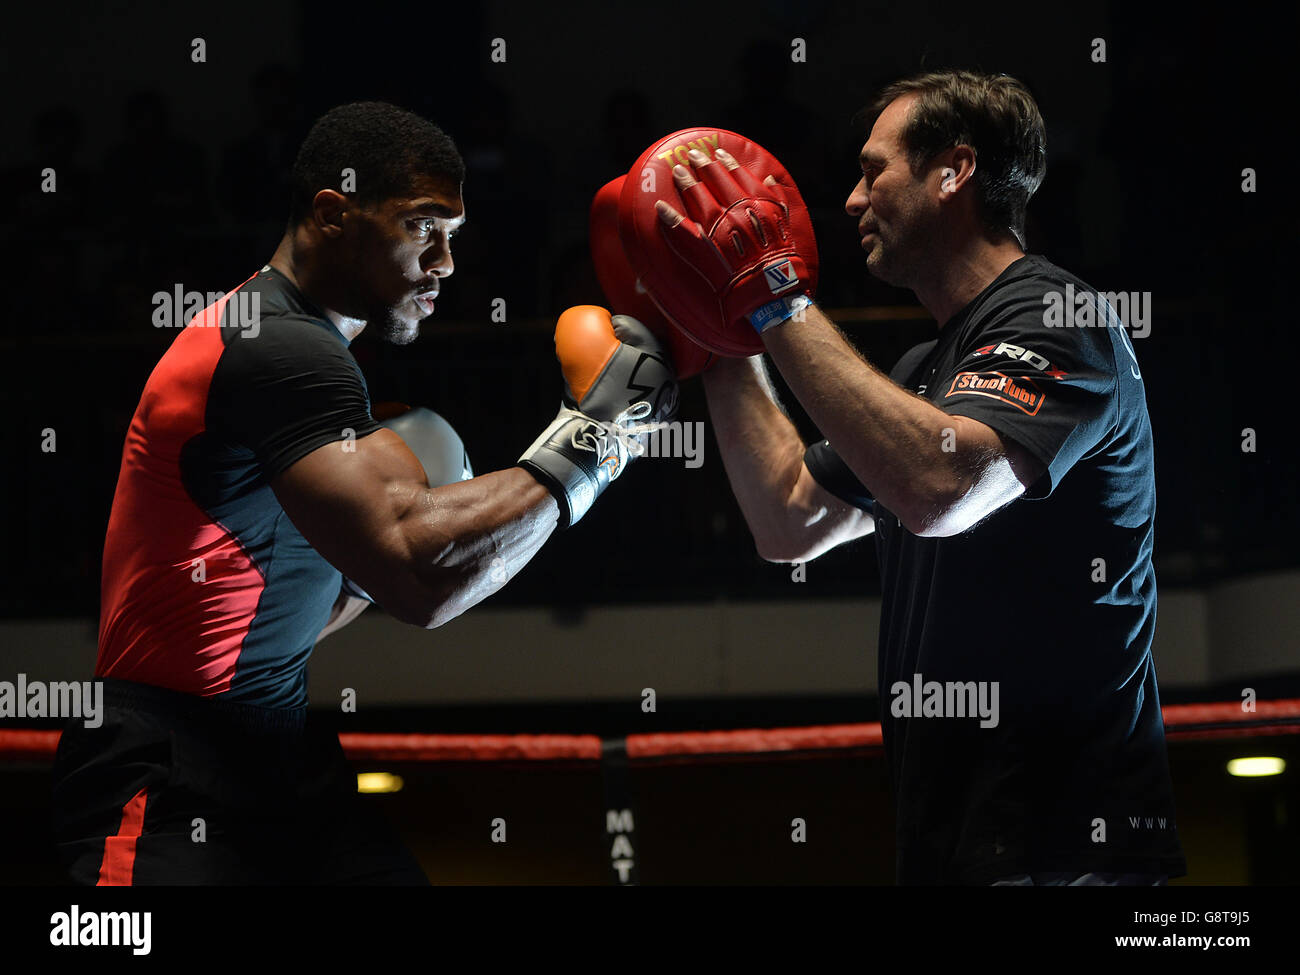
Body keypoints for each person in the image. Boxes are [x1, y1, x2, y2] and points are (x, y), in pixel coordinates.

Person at [51, 101, 675, 885]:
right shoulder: (273, 346)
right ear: (332, 212)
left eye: (455, 231)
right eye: (422, 226)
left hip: (277, 754)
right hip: (165, 765)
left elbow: (326, 600)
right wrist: (598, 436)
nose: (446, 261)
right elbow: (422, 574)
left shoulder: (311, 363)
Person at [653, 70, 1186, 885]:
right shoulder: (923, 369)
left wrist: (772, 295)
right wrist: (717, 336)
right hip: (955, 844)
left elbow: (943, 490)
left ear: (954, 171)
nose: (853, 200)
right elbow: (786, 518)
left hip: (1069, 852)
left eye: (875, 172)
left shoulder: (1061, 318)